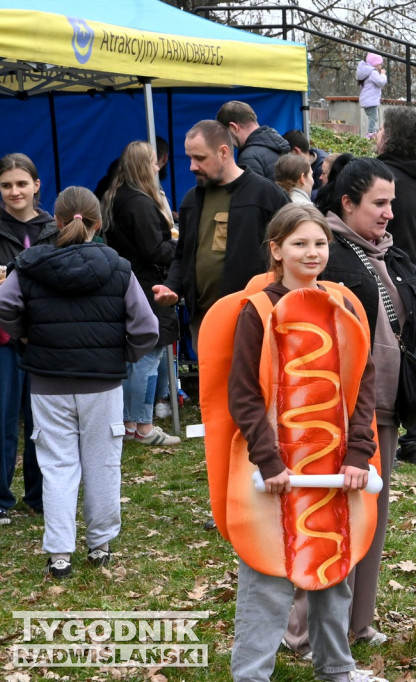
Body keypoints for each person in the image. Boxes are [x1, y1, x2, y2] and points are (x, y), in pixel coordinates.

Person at [222, 203, 382, 682]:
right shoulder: (259, 310)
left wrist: (358, 452)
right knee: (268, 570)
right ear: (276, 249)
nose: (312, 253)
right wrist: (268, 460)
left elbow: (362, 383)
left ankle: (335, 666)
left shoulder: (344, 303)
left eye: (319, 243)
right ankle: (251, 673)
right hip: (276, 468)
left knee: (335, 563)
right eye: (300, 243)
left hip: (333, 461)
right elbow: (244, 394)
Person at [314, 155, 416, 647]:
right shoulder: (327, 254)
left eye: (392, 202)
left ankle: (357, 624)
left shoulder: (394, 255)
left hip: (386, 406)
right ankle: (310, 629)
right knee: (331, 518)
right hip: (337, 407)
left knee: (371, 517)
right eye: (379, 203)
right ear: (347, 203)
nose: (388, 213)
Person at [0, 186, 159, 578]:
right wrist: (122, 353)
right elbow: (147, 328)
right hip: (102, 383)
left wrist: (25, 335)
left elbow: (4, 305)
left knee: (57, 465)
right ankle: (100, 545)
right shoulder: (118, 267)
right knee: (103, 463)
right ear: (99, 223)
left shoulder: (29, 264)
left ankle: (59, 553)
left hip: (47, 381)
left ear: (55, 221)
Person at [154, 120, 290, 340]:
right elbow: (182, 257)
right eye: (190, 158)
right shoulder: (191, 199)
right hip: (205, 322)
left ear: (224, 152)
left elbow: (293, 253)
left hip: (255, 321)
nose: (192, 166)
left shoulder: (267, 195)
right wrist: (171, 287)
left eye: (199, 158)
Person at [102, 141, 181, 447]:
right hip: (148, 287)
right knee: (147, 358)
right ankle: (142, 425)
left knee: (136, 360)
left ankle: (130, 422)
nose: (157, 166)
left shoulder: (117, 196)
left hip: (129, 282)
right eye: (153, 162)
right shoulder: (139, 202)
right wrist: (181, 246)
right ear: (142, 165)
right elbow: (155, 250)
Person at [375, 107, 416, 465]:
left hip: (390, 271)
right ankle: (415, 440)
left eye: (381, 128)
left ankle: (387, 433)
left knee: (386, 353)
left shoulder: (380, 177)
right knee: (413, 357)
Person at [0, 153, 56, 524]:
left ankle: (40, 495)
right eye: (6, 185)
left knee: (43, 424)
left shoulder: (55, 228)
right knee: (2, 420)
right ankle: (1, 499)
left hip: (43, 336)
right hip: (3, 337)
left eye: (21, 183)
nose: (14, 191)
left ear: (36, 185)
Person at [216, 100, 290, 179]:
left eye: (227, 134)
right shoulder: (279, 144)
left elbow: (252, 191)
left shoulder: (248, 157)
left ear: (234, 127)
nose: (227, 140)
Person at [282, 129, 329, 194]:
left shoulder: (322, 169)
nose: (286, 161)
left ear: (296, 151)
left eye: (287, 156)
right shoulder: (312, 160)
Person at [356, 53, 387, 137]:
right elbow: (381, 82)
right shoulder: (373, 72)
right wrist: (383, 74)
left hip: (367, 99)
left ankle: (372, 132)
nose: (381, 66)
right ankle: (370, 134)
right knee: (373, 117)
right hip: (370, 100)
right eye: (381, 64)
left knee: (373, 117)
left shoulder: (367, 71)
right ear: (376, 64)